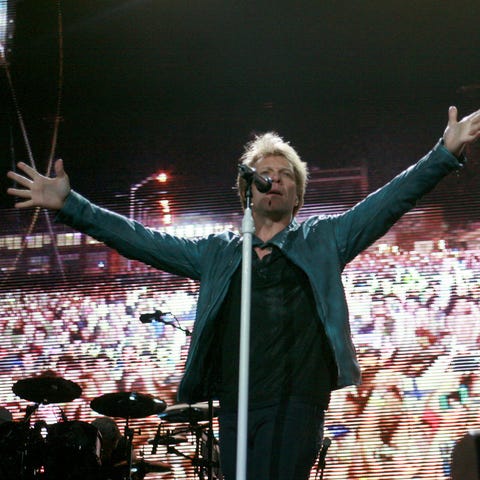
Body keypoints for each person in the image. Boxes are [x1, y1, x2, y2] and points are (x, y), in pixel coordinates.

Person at [6, 106, 480, 479]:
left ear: (297, 197)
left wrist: (443, 154)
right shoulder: (216, 252)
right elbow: (139, 239)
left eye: (286, 175)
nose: (274, 179)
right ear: (247, 190)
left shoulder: (324, 239)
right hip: (235, 401)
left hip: (297, 398)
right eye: (264, 173)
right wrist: (70, 205)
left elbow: (390, 199)